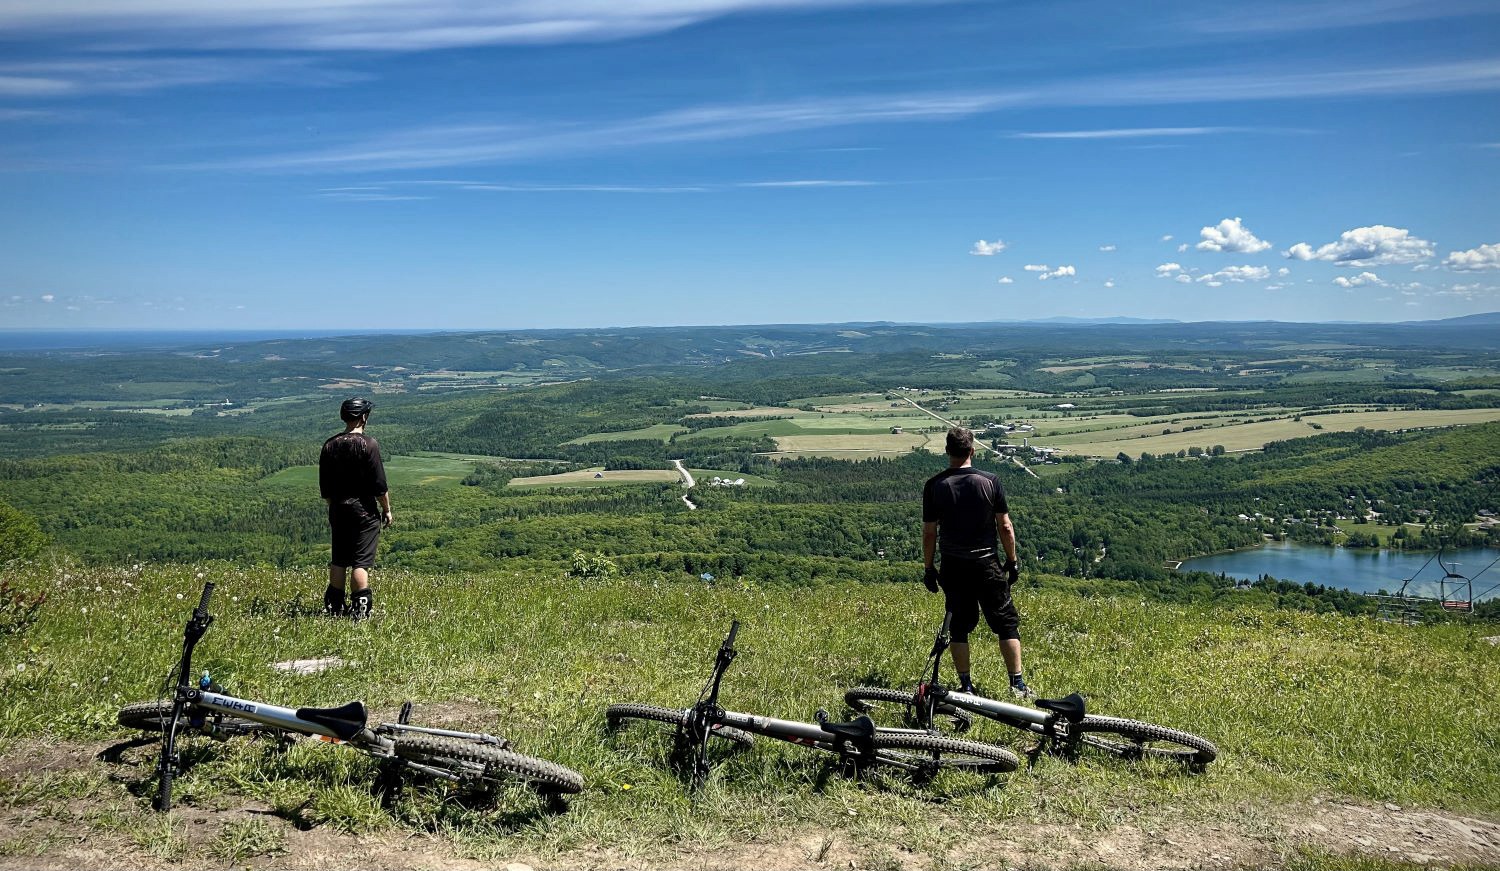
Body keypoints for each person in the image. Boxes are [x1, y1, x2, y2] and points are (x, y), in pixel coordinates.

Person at [921, 426, 1031, 698]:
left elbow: (929, 531)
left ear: (947, 451)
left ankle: (966, 686)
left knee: (959, 626)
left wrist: (928, 568)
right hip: (986, 564)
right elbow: (1005, 526)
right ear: (972, 450)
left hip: (953, 565)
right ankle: (1016, 684)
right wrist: (1012, 560)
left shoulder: (935, 485)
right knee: (1006, 623)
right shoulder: (990, 481)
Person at [319, 397, 391, 619]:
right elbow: (379, 485)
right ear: (364, 417)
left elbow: (326, 487)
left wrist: (335, 507)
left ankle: (335, 607)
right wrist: (386, 509)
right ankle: (360, 611)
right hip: (364, 511)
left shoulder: (329, 444)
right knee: (360, 562)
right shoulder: (369, 444)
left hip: (338, 509)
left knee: (339, 558)